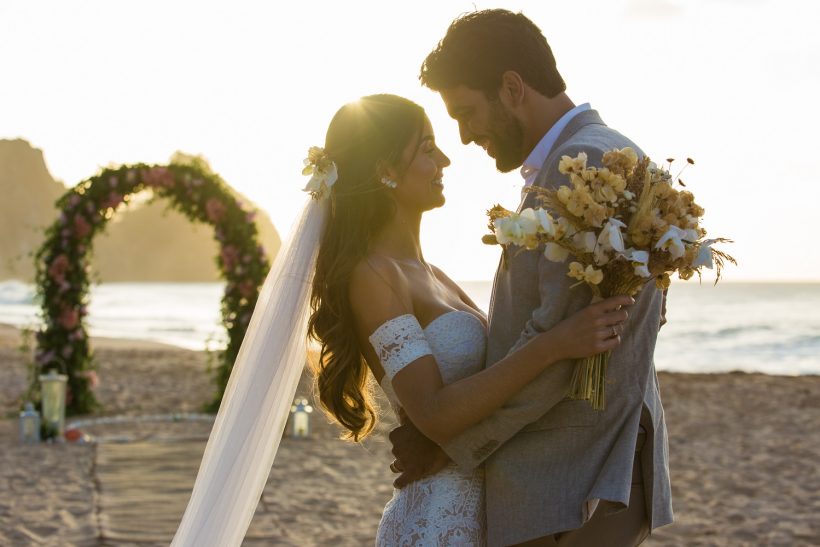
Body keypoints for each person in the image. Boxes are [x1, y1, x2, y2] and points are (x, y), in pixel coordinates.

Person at [170, 93, 632, 547]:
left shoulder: (434, 275)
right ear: (385, 171)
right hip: (439, 521)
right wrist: (554, 344)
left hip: (491, 509)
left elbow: (486, 390)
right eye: (428, 149)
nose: (446, 160)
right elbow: (432, 412)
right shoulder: (374, 276)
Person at [388, 9, 674, 546]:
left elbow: (561, 352)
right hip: (580, 480)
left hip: (570, 486)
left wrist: (450, 441)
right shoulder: (590, 156)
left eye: (467, 112)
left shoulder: (584, 163)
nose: (466, 136)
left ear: (513, 87)